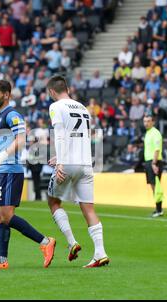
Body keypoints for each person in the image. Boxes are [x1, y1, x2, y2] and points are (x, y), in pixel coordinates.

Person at [0, 80, 56, 269]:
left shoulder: (12, 114)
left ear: (7, 95)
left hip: (12, 170)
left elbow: (21, 140)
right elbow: (3, 146)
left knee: (6, 215)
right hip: (2, 170)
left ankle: (45, 242)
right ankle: (1, 259)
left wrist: (2, 158)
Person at [45, 75, 110, 268]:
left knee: (53, 201)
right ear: (67, 88)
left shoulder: (56, 107)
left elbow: (60, 135)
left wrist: (60, 162)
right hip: (85, 163)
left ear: (51, 92)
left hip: (68, 164)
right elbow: (80, 136)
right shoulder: (83, 108)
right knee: (88, 208)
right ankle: (100, 253)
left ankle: (72, 242)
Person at [143, 114, 164, 217]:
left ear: (153, 122)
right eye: (145, 121)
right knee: (152, 185)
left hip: (154, 162)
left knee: (156, 186)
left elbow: (157, 149)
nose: (146, 123)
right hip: (148, 162)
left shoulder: (156, 133)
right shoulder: (148, 133)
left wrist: (154, 163)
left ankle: (159, 209)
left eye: (148, 121)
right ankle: (158, 208)